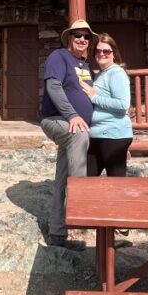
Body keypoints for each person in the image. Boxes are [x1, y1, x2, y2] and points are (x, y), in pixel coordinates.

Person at [40, 19, 97, 250]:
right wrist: (73, 115)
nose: (82, 39)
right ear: (69, 39)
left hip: (74, 124)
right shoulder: (59, 56)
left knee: (63, 177)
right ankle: (80, 202)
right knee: (79, 135)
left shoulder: (86, 67)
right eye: (77, 36)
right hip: (56, 120)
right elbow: (53, 87)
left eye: (86, 37)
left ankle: (57, 234)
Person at [81, 33, 133, 177]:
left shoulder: (116, 73)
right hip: (97, 134)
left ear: (114, 54)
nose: (101, 54)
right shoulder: (101, 74)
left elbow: (123, 104)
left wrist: (94, 97)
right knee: (88, 180)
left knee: (116, 183)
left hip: (113, 135)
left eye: (106, 51)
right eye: (98, 51)